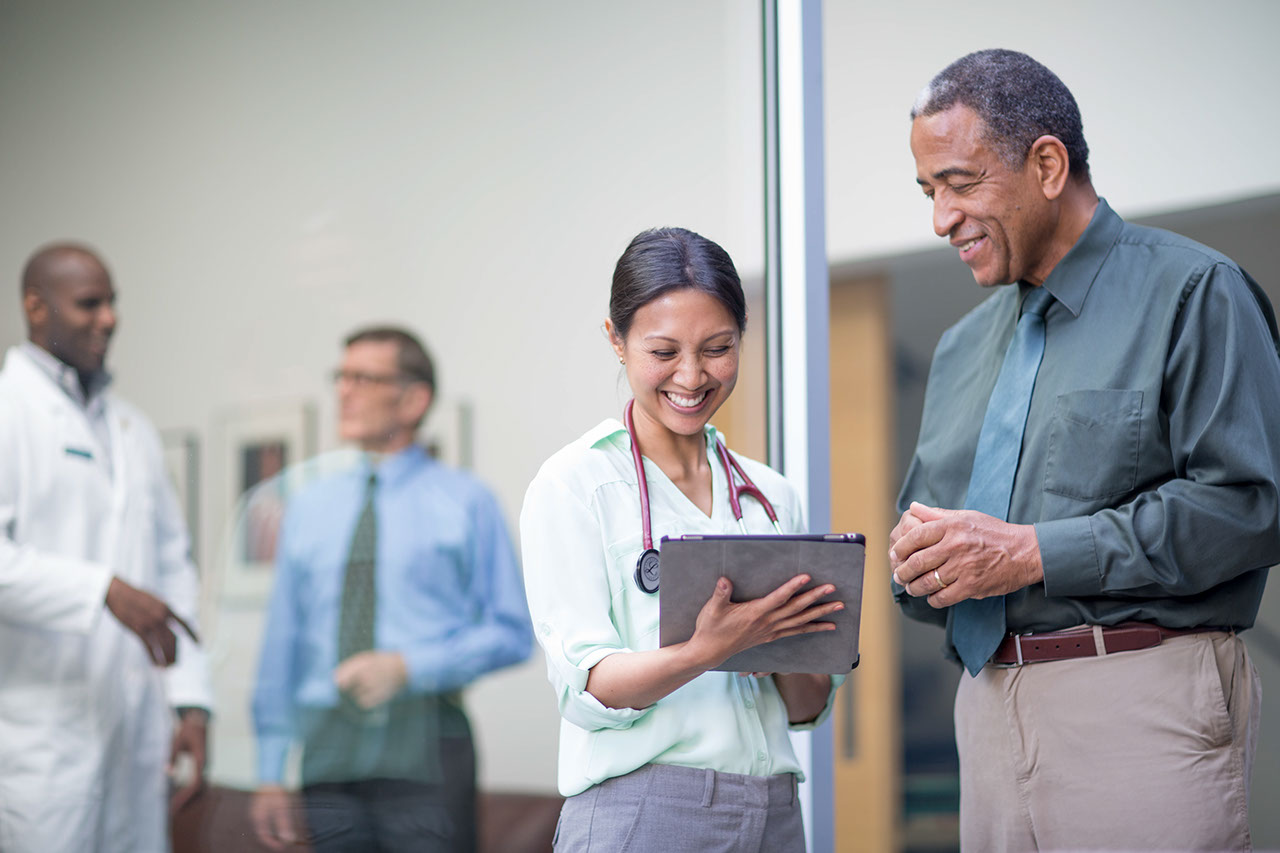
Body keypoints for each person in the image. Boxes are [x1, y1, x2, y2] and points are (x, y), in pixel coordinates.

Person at [889, 49, 1280, 851]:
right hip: (986, 709)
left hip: (1140, 697)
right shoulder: (962, 348)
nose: (940, 219)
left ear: (1046, 163)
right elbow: (941, 554)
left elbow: (1249, 507)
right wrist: (920, 562)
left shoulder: (1195, 292)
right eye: (930, 193)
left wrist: (1033, 552)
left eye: (961, 183)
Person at [520, 227, 845, 852]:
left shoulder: (771, 497)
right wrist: (707, 650)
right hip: (645, 808)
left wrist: (777, 643)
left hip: (775, 810)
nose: (693, 377)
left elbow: (805, 707)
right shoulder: (576, 486)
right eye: (663, 351)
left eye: (718, 348)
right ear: (616, 341)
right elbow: (585, 686)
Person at [250, 326, 533, 852]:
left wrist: (407, 668)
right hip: (327, 750)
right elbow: (281, 644)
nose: (343, 391)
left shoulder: (466, 502)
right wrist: (268, 770)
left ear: (413, 399)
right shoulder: (308, 508)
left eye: (363, 378)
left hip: (429, 740)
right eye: (341, 376)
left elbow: (512, 633)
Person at [0, 243, 213, 852]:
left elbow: (174, 567)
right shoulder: (8, 412)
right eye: (89, 304)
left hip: (137, 728)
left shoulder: (133, 428)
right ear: (35, 307)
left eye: (113, 303)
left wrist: (191, 700)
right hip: (43, 738)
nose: (110, 319)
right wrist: (102, 591)